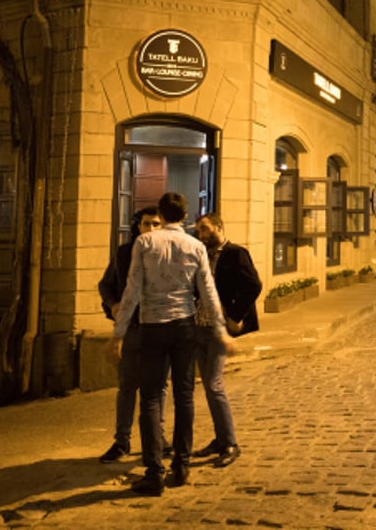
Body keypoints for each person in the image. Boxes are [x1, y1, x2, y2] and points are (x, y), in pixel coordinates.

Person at [111, 192, 235, 495]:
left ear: (162, 215)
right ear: (184, 214)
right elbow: (208, 291)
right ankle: (181, 465)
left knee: (151, 397)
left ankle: (154, 472)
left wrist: (119, 332)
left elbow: (132, 290)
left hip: (153, 325)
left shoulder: (144, 243)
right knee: (184, 396)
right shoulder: (195, 245)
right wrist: (221, 331)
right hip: (184, 325)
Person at [97, 206, 169, 463]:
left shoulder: (170, 252)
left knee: (159, 387)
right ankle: (122, 440)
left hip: (159, 328)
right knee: (128, 385)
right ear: (137, 227)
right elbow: (105, 284)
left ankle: (157, 437)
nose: (151, 229)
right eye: (146, 224)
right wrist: (113, 304)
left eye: (156, 224)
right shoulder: (124, 253)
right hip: (132, 329)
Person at [193, 212, 263, 468]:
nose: (201, 234)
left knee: (214, 384)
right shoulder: (201, 254)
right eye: (198, 230)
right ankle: (220, 439)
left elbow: (253, 285)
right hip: (198, 324)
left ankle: (231, 443)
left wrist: (236, 314)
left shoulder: (236, 253)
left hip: (219, 329)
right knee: (208, 385)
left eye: (205, 228)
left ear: (219, 227)